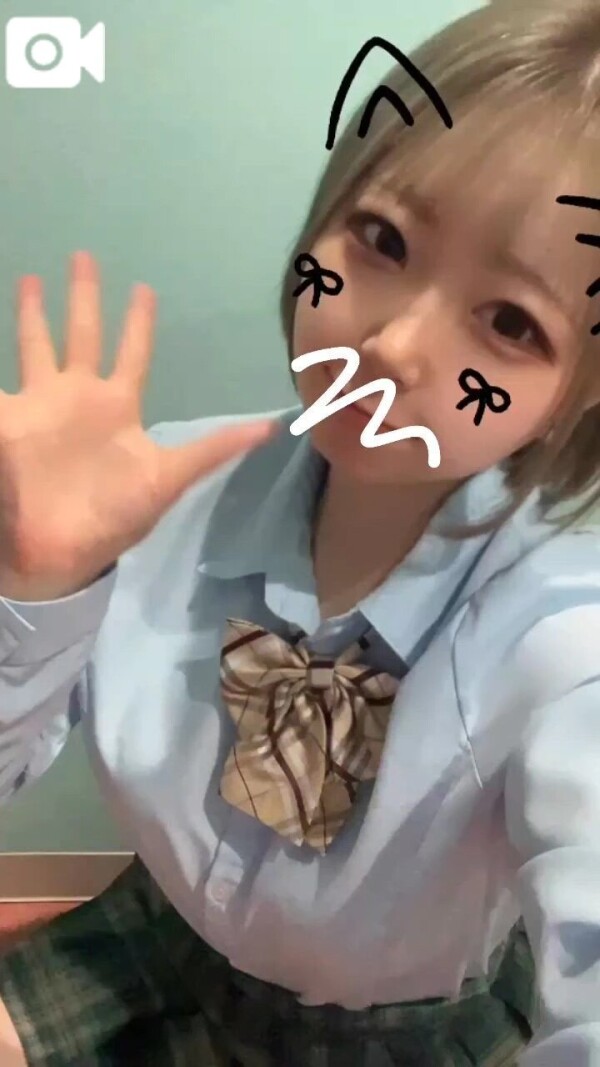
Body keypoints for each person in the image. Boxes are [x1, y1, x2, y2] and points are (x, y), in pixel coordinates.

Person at [0, 0, 599, 1062]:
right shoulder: (161, 498)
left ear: (577, 398)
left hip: (403, 1037)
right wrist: (38, 586)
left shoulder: (567, 641)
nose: (394, 344)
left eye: (511, 322)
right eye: (382, 239)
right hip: (154, 938)